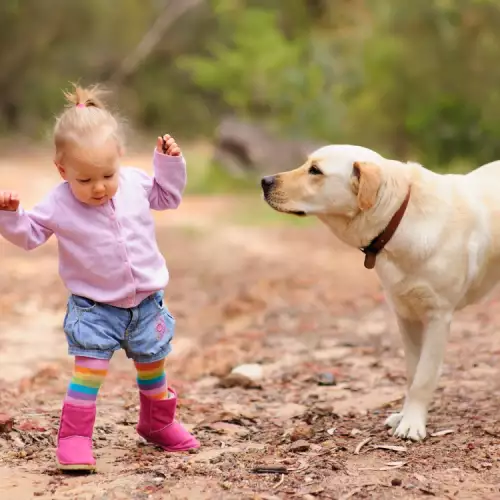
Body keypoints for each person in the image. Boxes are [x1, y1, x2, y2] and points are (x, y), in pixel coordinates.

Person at [0, 84, 200, 471]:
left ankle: (158, 424)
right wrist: (10, 216)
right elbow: (30, 237)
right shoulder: (58, 202)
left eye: (108, 174)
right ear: (62, 171)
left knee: (153, 368)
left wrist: (169, 164)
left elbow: (168, 197)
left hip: (146, 306)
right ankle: (74, 437)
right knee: (88, 374)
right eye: (85, 180)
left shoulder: (137, 183)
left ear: (120, 159)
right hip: (94, 310)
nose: (99, 187)